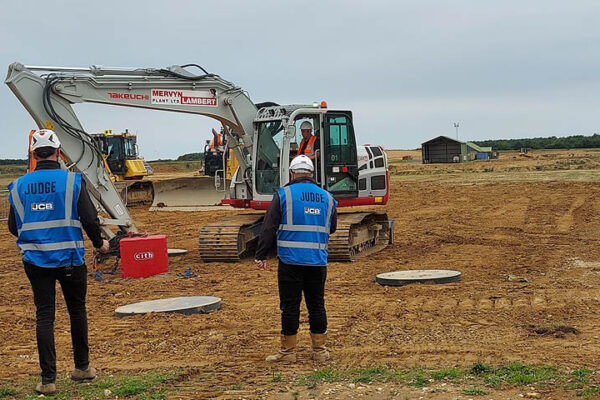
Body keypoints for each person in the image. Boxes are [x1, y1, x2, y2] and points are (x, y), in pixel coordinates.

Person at [7, 129, 109, 395]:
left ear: (33, 154)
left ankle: (48, 380)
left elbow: (13, 226)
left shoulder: (18, 186)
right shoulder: (73, 182)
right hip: (71, 261)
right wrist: (100, 244)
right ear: (58, 152)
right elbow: (89, 220)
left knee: (45, 316)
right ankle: (82, 368)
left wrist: (38, 237)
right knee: (77, 311)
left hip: (36, 261)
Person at [255, 155, 337, 363]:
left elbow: (269, 226)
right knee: (317, 305)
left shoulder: (284, 195)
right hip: (317, 262)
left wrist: (261, 254)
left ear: (292, 173)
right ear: (312, 174)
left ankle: (288, 352)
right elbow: (332, 227)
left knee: (290, 306)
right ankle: (320, 351)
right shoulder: (328, 197)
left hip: (290, 261)